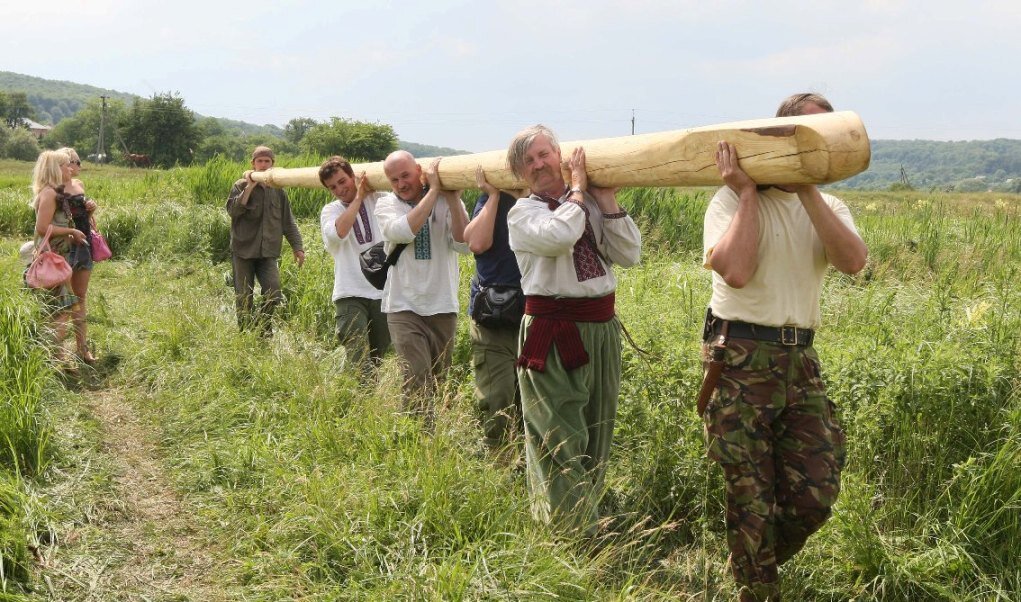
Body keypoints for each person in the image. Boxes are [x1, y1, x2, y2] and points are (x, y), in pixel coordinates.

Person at [700, 93, 867, 602]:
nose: (813, 145)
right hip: (741, 356)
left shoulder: (829, 205)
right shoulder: (729, 200)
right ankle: (757, 587)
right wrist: (749, 193)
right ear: (780, 137)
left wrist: (808, 190)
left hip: (800, 359)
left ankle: (750, 559)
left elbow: (853, 261)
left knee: (816, 494)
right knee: (751, 497)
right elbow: (737, 270)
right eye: (802, 134)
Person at [505, 124, 641, 534]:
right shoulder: (522, 213)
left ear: (560, 156)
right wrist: (579, 191)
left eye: (544, 154)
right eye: (528, 161)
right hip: (551, 330)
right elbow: (561, 236)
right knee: (556, 432)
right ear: (520, 175)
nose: (538, 164)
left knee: (598, 425)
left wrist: (607, 198)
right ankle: (567, 532)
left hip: (600, 328)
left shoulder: (587, 204)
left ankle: (585, 513)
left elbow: (629, 254)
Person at [375, 150, 469, 414]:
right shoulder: (386, 205)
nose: (401, 183)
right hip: (403, 306)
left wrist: (451, 200)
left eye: (405, 175)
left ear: (419, 170)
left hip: (442, 305)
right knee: (416, 378)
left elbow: (463, 246)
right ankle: (415, 436)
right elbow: (402, 232)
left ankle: (432, 446)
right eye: (394, 180)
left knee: (439, 381)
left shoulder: (443, 200)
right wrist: (433, 192)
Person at [464, 166, 524, 457]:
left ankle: (527, 464)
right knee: (498, 395)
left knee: (530, 398)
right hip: (494, 314)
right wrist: (493, 197)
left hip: (535, 314)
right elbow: (476, 242)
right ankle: (498, 461)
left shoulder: (546, 199)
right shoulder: (492, 199)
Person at [318, 155, 391, 369]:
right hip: (349, 293)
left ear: (353, 176)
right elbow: (338, 233)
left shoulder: (380, 198)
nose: (340, 189)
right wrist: (358, 197)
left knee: (377, 358)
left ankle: (359, 398)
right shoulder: (331, 210)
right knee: (357, 357)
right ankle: (358, 396)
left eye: (343, 181)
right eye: (333, 187)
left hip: (381, 291)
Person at [226, 146, 305, 335]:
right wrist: (249, 188)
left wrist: (298, 247)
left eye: (266, 161)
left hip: (268, 253)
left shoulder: (278, 191)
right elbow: (232, 212)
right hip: (243, 251)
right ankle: (245, 333)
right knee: (244, 297)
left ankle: (263, 330)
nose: (263, 165)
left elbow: (288, 222)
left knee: (274, 292)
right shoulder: (240, 185)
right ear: (252, 164)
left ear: (272, 165)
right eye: (259, 161)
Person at [27, 150, 90, 365]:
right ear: (56, 169)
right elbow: (42, 227)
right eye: (65, 165)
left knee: (62, 307)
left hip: (59, 257)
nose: (70, 168)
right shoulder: (49, 194)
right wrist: (71, 232)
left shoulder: (55, 192)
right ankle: (57, 360)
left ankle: (58, 358)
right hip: (53, 258)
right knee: (62, 309)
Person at [57, 147, 100, 364]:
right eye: (76, 161)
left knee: (80, 298)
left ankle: (82, 349)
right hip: (64, 246)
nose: (79, 166)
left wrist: (91, 209)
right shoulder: (54, 187)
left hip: (83, 243)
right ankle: (59, 355)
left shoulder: (79, 185)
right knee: (64, 298)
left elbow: (84, 216)